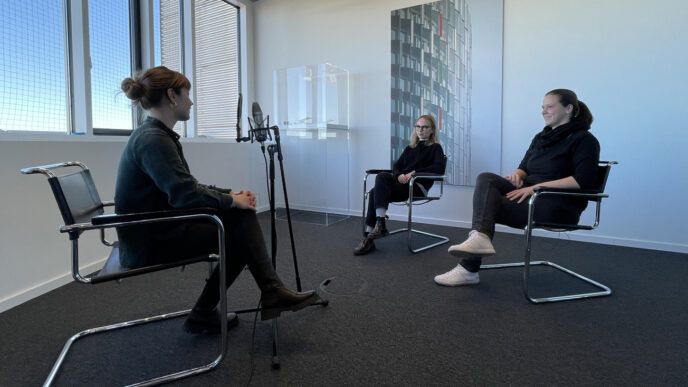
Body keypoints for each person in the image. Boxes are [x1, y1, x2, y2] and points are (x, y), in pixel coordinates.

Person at [117, 66, 319, 333]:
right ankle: (264, 293)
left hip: (158, 228)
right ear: (172, 96)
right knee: (238, 230)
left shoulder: (154, 135)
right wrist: (233, 202)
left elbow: (186, 187)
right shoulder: (153, 140)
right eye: (187, 94)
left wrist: (230, 196)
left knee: (238, 222)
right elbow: (185, 195)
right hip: (150, 241)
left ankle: (257, 296)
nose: (191, 101)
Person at [434, 89, 600, 286]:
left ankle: (469, 267)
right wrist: (517, 176)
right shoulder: (541, 137)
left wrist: (535, 187)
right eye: (542, 107)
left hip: (559, 204)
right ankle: (479, 239)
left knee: (489, 206)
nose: (544, 111)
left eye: (550, 106)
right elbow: (524, 168)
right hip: (531, 195)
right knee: (486, 178)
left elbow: (584, 180)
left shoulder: (585, 140)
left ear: (569, 108)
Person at [354, 115, 445, 255]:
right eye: (418, 126)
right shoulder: (410, 148)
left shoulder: (435, 148)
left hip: (416, 187)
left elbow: (439, 168)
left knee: (373, 193)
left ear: (432, 130)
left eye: (425, 127)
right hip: (401, 185)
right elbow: (396, 166)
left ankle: (370, 237)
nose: (420, 130)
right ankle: (379, 225)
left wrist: (414, 172)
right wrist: (399, 175)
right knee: (382, 176)